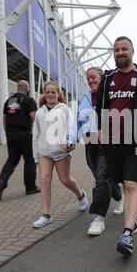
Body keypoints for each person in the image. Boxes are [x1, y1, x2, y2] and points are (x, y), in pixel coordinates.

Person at [96, 36, 137, 256]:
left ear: (133, 51)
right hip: (113, 142)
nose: (120, 53)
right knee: (124, 182)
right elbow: (101, 108)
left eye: (124, 49)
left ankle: (126, 234)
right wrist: (102, 130)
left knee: (131, 184)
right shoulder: (107, 79)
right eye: (116, 50)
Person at [66, 67, 123, 236]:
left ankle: (99, 218)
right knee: (102, 176)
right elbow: (77, 121)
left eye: (93, 77)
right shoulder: (85, 98)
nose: (90, 81)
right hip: (90, 142)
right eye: (88, 78)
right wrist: (70, 139)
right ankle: (120, 198)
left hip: (107, 141)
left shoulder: (111, 95)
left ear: (102, 78)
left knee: (102, 178)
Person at [32, 81, 88, 228]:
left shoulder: (64, 109)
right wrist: (35, 155)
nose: (50, 95)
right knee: (44, 180)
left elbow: (72, 127)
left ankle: (80, 194)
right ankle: (46, 215)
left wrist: (71, 143)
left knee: (65, 180)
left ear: (58, 94)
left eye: (53, 92)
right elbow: (36, 134)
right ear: (44, 94)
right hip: (43, 152)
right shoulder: (40, 112)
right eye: (48, 92)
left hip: (61, 151)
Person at [0, 80, 40, 200]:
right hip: (25, 134)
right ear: (27, 89)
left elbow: (4, 117)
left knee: (12, 160)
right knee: (30, 160)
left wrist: (7, 131)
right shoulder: (29, 100)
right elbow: (34, 117)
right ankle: (30, 188)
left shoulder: (8, 101)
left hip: (10, 134)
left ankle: (1, 181)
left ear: (18, 88)